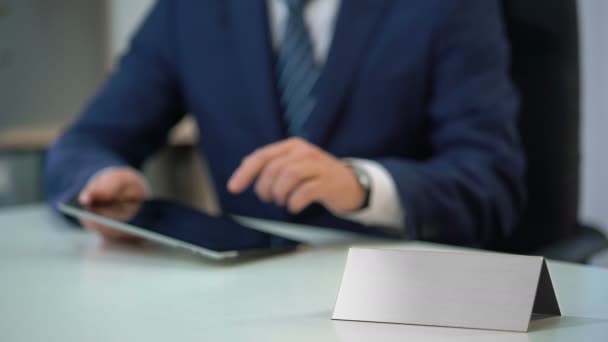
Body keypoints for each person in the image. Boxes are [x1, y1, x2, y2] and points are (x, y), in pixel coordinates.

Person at [45, 0, 525, 248]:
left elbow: (492, 180)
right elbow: (86, 141)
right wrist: (100, 182)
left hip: (403, 300)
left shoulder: (445, 7)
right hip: (245, 304)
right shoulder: (189, 10)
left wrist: (362, 186)